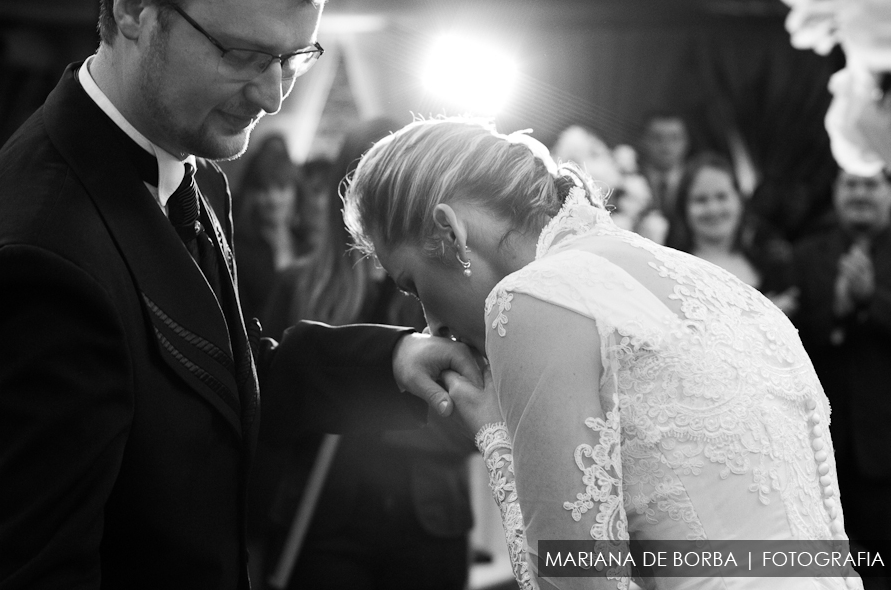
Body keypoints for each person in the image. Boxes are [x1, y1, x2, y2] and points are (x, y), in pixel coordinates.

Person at [0, 0, 480, 589]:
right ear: (134, 10)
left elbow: (220, 379)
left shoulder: (194, 175)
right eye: (245, 55)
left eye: (295, 59)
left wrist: (396, 360)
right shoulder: (43, 252)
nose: (273, 96)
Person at [343, 117, 862, 590]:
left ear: (450, 232)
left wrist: (494, 434)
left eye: (412, 285)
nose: (431, 326)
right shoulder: (718, 283)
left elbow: (576, 582)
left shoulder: (531, 296)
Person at [252, 116, 476, 590]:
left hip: (430, 519)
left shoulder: (455, 296)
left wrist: (353, 407)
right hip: (322, 523)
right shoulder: (300, 285)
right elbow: (270, 402)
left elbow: (475, 423)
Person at [790, 168, 891, 590]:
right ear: (835, 191)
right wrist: (836, 311)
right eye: (851, 184)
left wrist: (872, 300)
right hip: (822, 451)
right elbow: (794, 338)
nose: (860, 193)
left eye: (871, 184)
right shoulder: (807, 253)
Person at [664, 151, 797, 312]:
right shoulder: (670, 272)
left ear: (739, 200)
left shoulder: (772, 265)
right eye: (700, 199)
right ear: (683, 208)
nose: (713, 209)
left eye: (722, 197)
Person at [233, 132, 305, 320]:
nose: (273, 199)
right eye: (264, 190)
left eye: (281, 188)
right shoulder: (238, 250)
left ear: (295, 191)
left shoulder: (307, 243)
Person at [637, 110, 692, 221]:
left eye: (674, 138)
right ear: (643, 140)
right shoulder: (629, 179)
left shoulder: (695, 180)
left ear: (687, 142)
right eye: (657, 138)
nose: (666, 146)